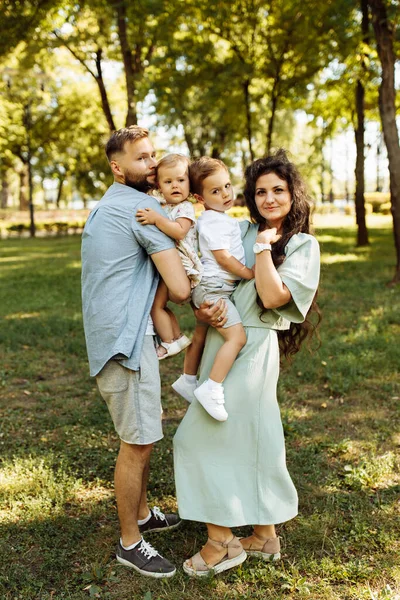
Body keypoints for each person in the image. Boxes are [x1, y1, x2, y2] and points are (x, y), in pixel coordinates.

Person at [173, 149, 321, 576]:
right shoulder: (236, 228)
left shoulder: (301, 245)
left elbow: (273, 297)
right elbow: (207, 269)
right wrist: (203, 311)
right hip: (224, 342)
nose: (269, 199)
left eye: (278, 190)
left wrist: (261, 248)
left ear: (293, 194)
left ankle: (222, 542)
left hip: (253, 349)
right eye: (260, 192)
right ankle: (264, 535)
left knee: (196, 438)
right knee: (252, 437)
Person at [81, 126, 191, 578]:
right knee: (139, 442)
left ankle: (144, 514)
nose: (151, 165)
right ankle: (131, 541)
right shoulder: (141, 210)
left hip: (116, 336)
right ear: (117, 167)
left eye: (152, 156)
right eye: (141, 158)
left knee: (142, 432)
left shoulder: (109, 204)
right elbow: (182, 289)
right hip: (125, 343)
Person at [172, 157, 254, 422]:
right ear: (200, 197)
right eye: (215, 191)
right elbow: (223, 258)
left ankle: (187, 379)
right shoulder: (214, 221)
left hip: (210, 286)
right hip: (215, 288)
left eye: (227, 186)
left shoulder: (217, 217)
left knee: (201, 334)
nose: (226, 194)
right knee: (237, 338)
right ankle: (212, 387)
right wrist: (249, 274)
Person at [136, 154, 202, 360]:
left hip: (181, 263)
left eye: (181, 180)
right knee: (160, 305)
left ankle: (168, 343)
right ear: (159, 185)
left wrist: (156, 220)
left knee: (155, 307)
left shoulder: (185, 207)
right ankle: (178, 337)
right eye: (168, 181)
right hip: (169, 261)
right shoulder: (162, 203)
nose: (175, 186)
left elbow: (180, 231)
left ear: (189, 183)